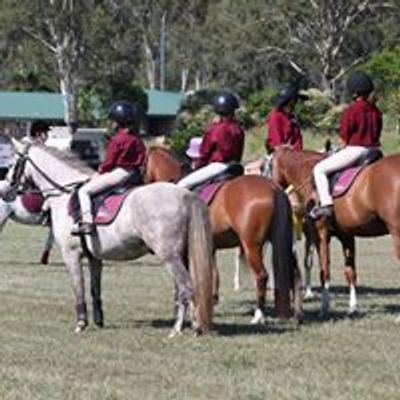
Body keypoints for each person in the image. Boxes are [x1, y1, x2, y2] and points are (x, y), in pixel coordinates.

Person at [312, 72, 383, 219]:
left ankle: (326, 205)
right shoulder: (376, 110)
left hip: (356, 150)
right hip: (374, 151)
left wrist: (339, 149)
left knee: (319, 169)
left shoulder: (352, 110)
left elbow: (344, 137)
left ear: (354, 92)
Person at [71, 100, 146, 235]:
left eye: (112, 120)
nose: (111, 123)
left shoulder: (118, 139)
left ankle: (87, 223)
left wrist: (99, 173)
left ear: (117, 121)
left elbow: (109, 163)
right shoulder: (137, 139)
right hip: (135, 174)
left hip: (119, 173)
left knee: (84, 191)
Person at [177, 91, 244, 189]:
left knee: (181, 185)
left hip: (217, 167)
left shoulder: (215, 129)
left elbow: (205, 153)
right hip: (236, 167)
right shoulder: (238, 128)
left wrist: (197, 166)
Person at [263, 85, 306, 176]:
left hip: (295, 157)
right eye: (295, 101)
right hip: (280, 158)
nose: (296, 103)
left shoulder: (291, 118)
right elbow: (277, 145)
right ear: (290, 101)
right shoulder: (276, 117)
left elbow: (298, 141)